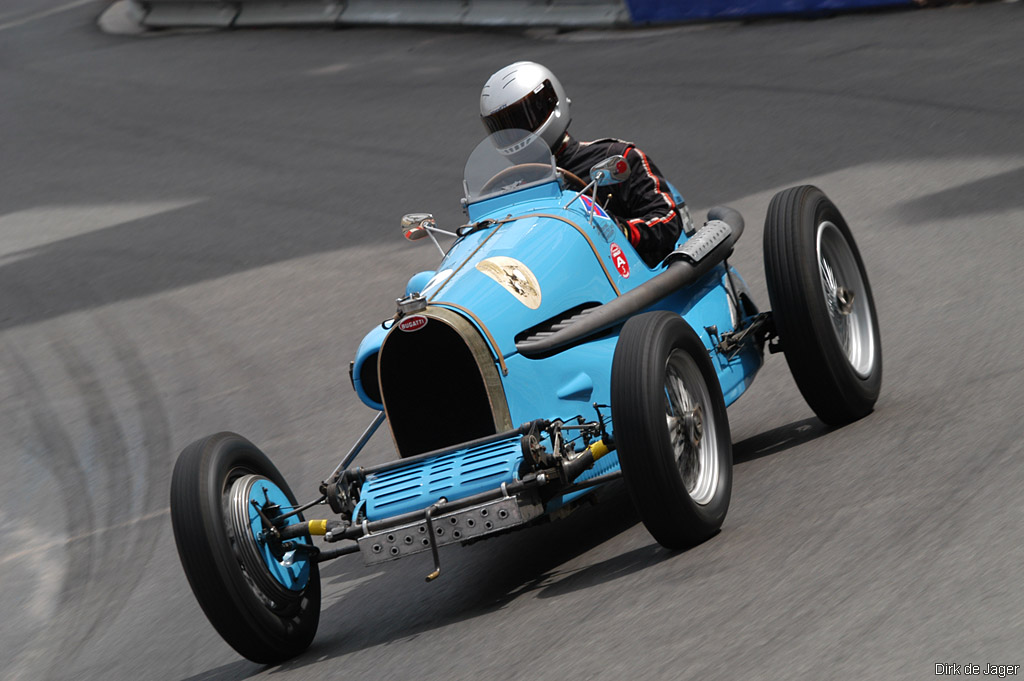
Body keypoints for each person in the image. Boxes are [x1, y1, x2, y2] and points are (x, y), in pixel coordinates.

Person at [480, 61, 691, 267]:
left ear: (551, 103)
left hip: (626, 287)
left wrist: (618, 231)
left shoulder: (614, 158)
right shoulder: (508, 193)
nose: (515, 134)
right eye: (503, 128)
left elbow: (668, 220)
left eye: (522, 120)